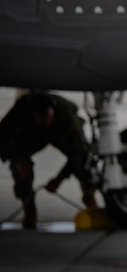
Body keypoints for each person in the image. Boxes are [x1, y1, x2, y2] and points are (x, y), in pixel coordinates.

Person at [0, 92, 99, 229]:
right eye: (43, 119)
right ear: (34, 115)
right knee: (20, 168)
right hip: (32, 134)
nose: (46, 122)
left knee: (84, 161)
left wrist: (59, 178)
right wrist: (18, 159)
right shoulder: (21, 110)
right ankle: (29, 211)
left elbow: (78, 152)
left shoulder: (66, 115)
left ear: (52, 113)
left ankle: (90, 202)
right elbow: (2, 137)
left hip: (61, 132)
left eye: (48, 118)